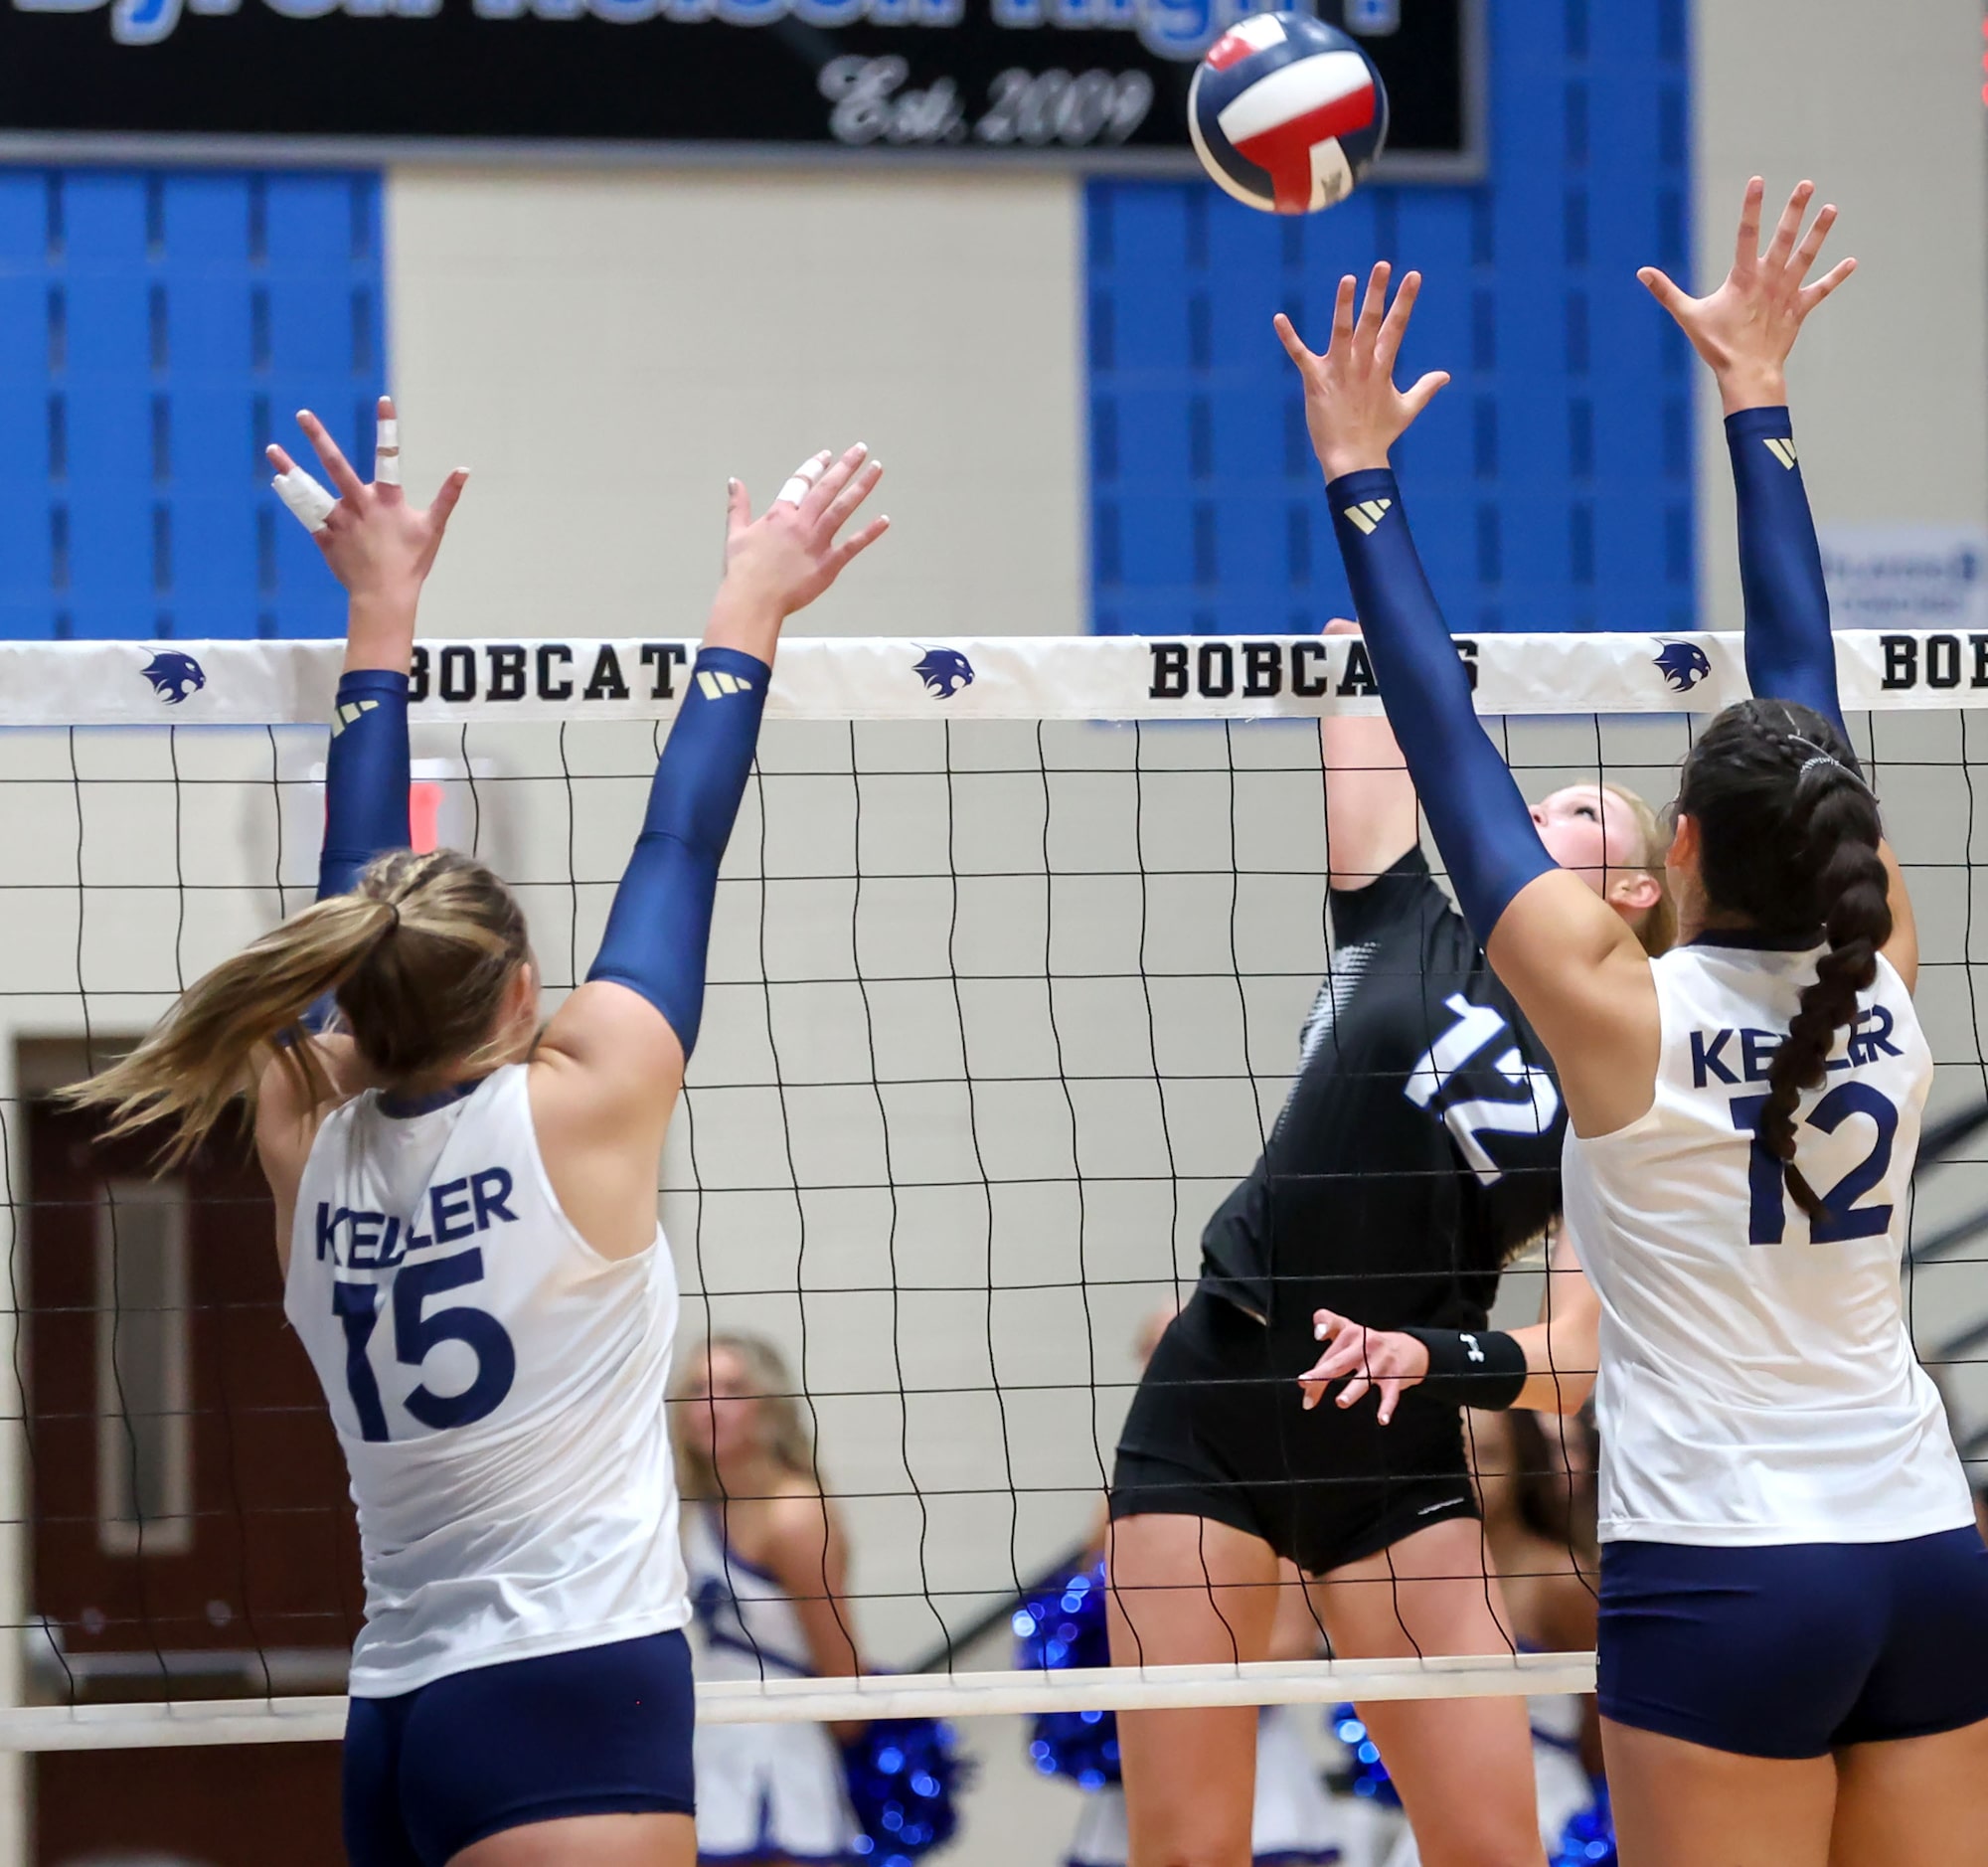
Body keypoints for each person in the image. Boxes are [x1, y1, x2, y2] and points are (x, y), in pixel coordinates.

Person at [68, 406, 888, 1867]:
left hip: (395, 1707)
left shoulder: (297, 1119)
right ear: (520, 991)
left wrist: (378, 612)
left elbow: (364, 894)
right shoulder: (576, 1105)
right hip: (575, 1692)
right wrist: (748, 600)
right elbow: (678, 846)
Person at [1280, 177, 1988, 1865]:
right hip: (1924, 1546)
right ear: (1849, 851)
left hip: (1726, 1572)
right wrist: (1761, 392)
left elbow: (1449, 760)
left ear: (1670, 864)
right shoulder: (1881, 979)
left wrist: (1358, 477)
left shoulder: (1622, 1020)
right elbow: (1802, 682)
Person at [1105, 611, 1670, 1867]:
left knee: (1489, 1850)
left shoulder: (1620, 1073)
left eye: (1583, 813)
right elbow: (1351, 671)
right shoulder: (1401, 914)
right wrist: (1367, 506)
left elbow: (1572, 1358)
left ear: (1632, 892)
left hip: (1391, 1437)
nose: (1540, 810)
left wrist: (1429, 1357)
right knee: (1184, 1850)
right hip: (1215, 1394)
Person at [671, 1332, 866, 1866]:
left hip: (784, 1766)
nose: (710, 1407)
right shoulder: (692, 1509)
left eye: (731, 1389)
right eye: (697, 1390)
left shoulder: (796, 1513)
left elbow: (842, 1673)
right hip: (711, 1750)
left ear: (768, 1405)